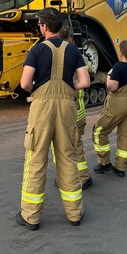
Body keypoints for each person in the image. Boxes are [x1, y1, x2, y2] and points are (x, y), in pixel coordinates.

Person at [16, 7, 90, 231]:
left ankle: (31, 216)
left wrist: (38, 89)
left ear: (45, 27)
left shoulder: (36, 50)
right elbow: (85, 81)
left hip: (42, 108)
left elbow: (25, 84)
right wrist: (69, 88)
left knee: (36, 159)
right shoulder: (73, 50)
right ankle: (74, 213)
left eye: (39, 24)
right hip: (67, 107)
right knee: (67, 157)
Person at [51, 25, 93, 190]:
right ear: (70, 38)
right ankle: (82, 177)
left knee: (59, 147)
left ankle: (66, 178)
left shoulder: (50, 55)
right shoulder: (77, 55)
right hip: (77, 109)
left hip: (60, 108)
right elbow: (89, 72)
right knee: (76, 145)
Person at [92, 40, 127, 178]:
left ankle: (104, 162)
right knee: (125, 135)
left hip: (118, 103)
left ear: (121, 52)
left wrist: (109, 76)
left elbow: (112, 87)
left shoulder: (119, 67)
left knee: (99, 131)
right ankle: (121, 168)